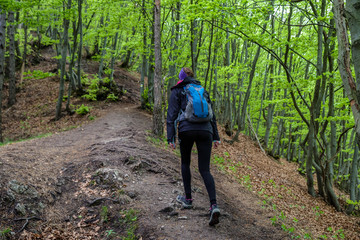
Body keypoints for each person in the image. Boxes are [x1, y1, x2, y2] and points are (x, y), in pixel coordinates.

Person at [166, 67, 221, 226]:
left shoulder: (179, 90)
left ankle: (188, 199)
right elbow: (213, 115)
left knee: (185, 163)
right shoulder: (202, 90)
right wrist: (216, 137)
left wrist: (171, 137)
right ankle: (214, 205)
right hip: (206, 131)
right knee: (205, 169)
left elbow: (172, 114)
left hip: (186, 129)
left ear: (181, 78)